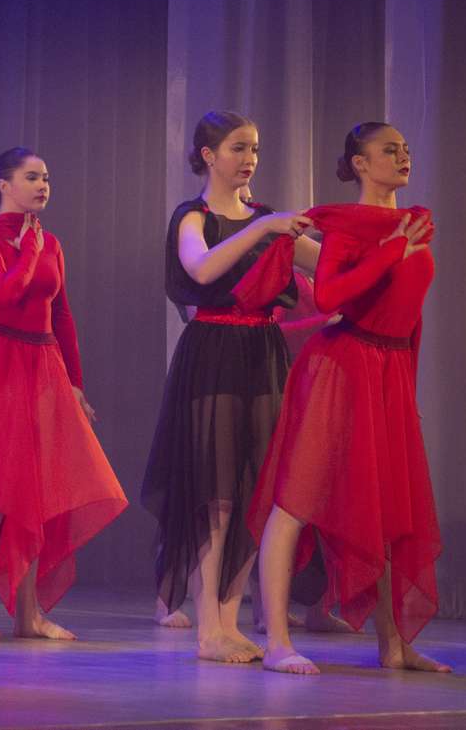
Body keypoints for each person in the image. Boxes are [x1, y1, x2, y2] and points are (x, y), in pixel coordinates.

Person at [248, 121, 449, 675]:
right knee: (297, 499)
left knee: (384, 509)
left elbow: (411, 315)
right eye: (389, 150)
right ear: (360, 163)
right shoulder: (350, 226)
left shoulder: (413, 225)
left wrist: (408, 389)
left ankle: (394, 645)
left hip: (389, 371)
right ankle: (278, 642)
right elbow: (331, 295)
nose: (403, 157)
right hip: (340, 366)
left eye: (405, 149)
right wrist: (390, 251)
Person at [140, 111, 318, 662]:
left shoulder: (267, 219)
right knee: (214, 493)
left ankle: (232, 620)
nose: (249, 159)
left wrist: (380, 241)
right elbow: (201, 269)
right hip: (213, 352)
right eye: (239, 148)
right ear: (208, 154)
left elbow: (331, 264)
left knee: (255, 490)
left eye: (255, 149)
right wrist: (263, 229)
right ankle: (209, 629)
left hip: (262, 355)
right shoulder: (192, 217)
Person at [0, 147, 127, 642]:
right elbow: (3, 295)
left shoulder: (50, 242)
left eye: (46, 177)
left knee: (38, 493)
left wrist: (75, 383)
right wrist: (28, 252)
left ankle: (29, 614)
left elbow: (61, 315)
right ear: (4, 184)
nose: (43, 185)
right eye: (32, 177)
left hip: (42, 366)